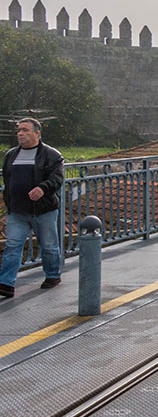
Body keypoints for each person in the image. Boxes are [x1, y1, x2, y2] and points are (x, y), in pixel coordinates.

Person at [1, 118, 65, 298]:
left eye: (25, 130)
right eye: (19, 130)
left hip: (43, 210)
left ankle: (52, 275)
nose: (20, 133)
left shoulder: (51, 155)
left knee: (49, 246)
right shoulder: (11, 154)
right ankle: (6, 284)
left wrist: (42, 188)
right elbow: (7, 179)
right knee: (12, 246)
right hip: (17, 211)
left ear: (37, 133)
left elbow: (57, 179)